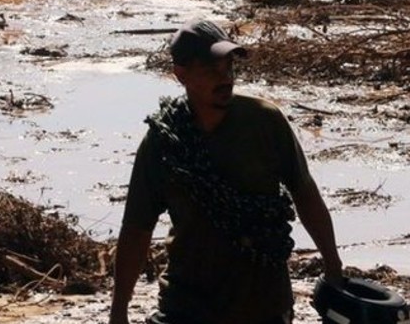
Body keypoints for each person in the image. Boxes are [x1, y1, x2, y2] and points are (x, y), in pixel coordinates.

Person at [109, 19, 344, 324]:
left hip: (263, 302)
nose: (226, 79)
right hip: (188, 303)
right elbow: (137, 229)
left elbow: (305, 194)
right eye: (211, 70)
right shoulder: (165, 141)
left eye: (229, 68)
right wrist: (118, 310)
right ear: (181, 75)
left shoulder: (265, 122)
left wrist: (333, 267)